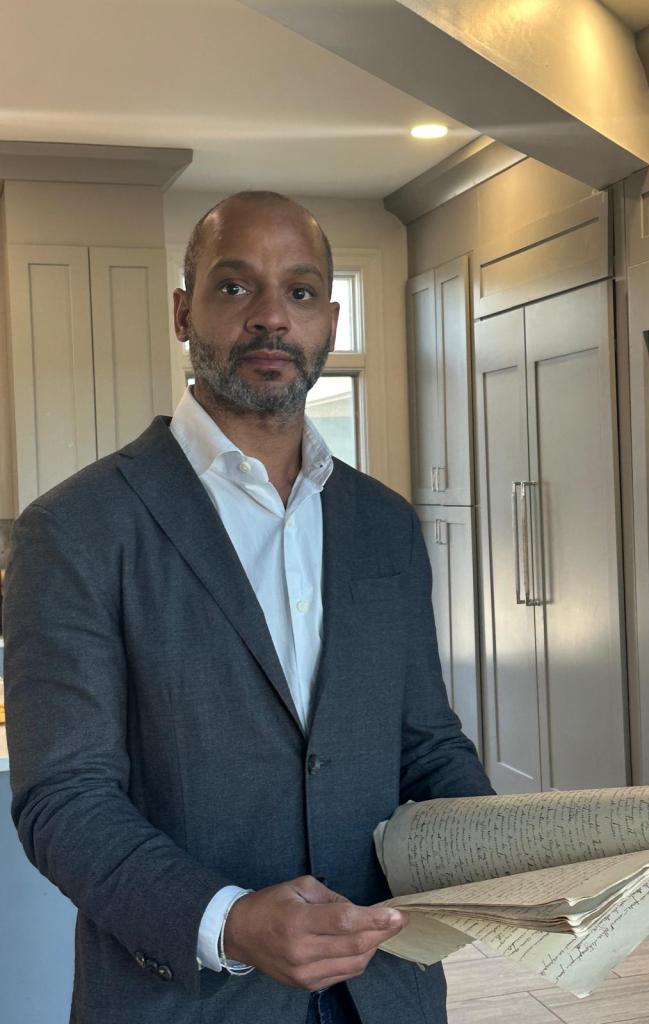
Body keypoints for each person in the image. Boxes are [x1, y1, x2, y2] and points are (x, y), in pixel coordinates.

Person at [3, 191, 493, 1024]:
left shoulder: (385, 526)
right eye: (236, 288)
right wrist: (225, 921)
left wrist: (510, 855)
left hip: (389, 992)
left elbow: (426, 742)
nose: (273, 317)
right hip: (182, 1005)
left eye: (300, 293)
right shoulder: (77, 529)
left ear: (330, 319)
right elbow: (65, 800)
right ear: (183, 309)